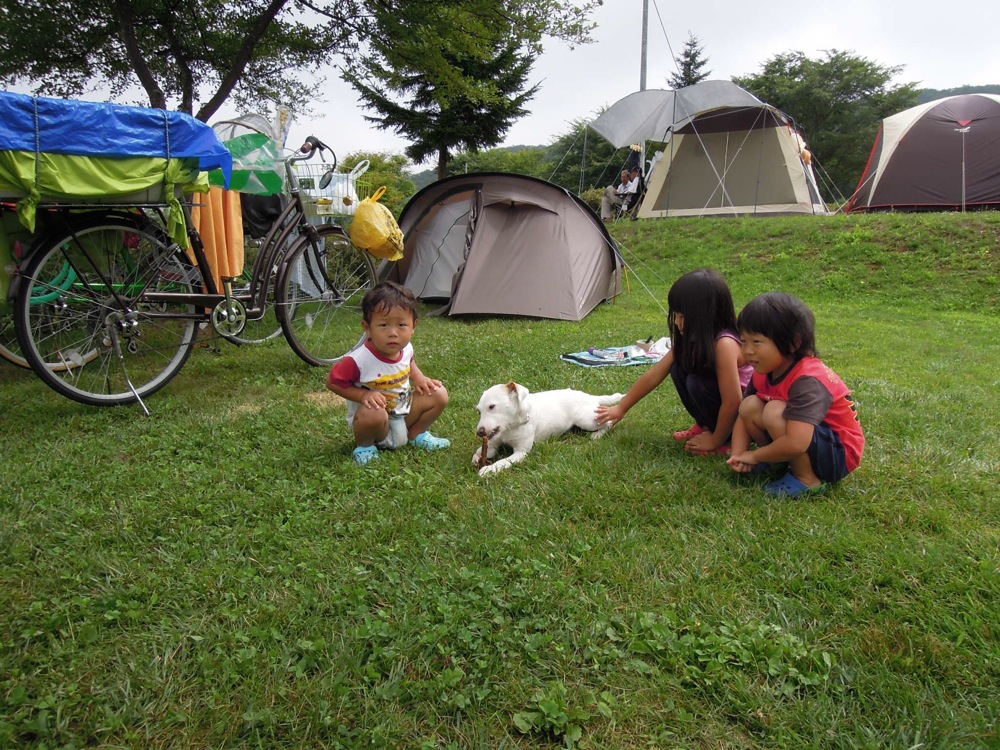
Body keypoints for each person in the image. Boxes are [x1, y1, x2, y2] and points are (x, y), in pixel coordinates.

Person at [595, 268, 753, 455]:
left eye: (683, 317)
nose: (677, 322)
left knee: (697, 383)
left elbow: (733, 401)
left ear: (708, 316)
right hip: (723, 406)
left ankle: (729, 439)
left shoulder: (725, 344)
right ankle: (706, 425)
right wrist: (621, 407)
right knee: (678, 368)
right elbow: (654, 375)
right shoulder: (689, 338)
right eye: (676, 314)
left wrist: (715, 440)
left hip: (743, 417)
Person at [726, 292, 865, 497]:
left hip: (839, 454)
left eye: (756, 341)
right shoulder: (763, 370)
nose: (747, 350)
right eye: (743, 341)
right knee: (750, 405)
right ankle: (777, 464)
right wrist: (739, 453)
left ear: (793, 343)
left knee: (774, 411)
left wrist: (754, 455)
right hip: (806, 440)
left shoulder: (807, 380)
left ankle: (807, 479)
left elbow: (797, 442)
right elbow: (743, 414)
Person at [326, 281, 450, 465]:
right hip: (376, 422)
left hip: (403, 412)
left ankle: (417, 434)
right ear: (367, 327)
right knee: (373, 412)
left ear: (414, 326)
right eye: (383, 325)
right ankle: (365, 446)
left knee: (439, 393)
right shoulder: (358, 360)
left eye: (401, 325)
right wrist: (362, 395)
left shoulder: (406, 347)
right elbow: (333, 382)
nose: (393, 333)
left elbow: (409, 361)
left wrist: (419, 377)